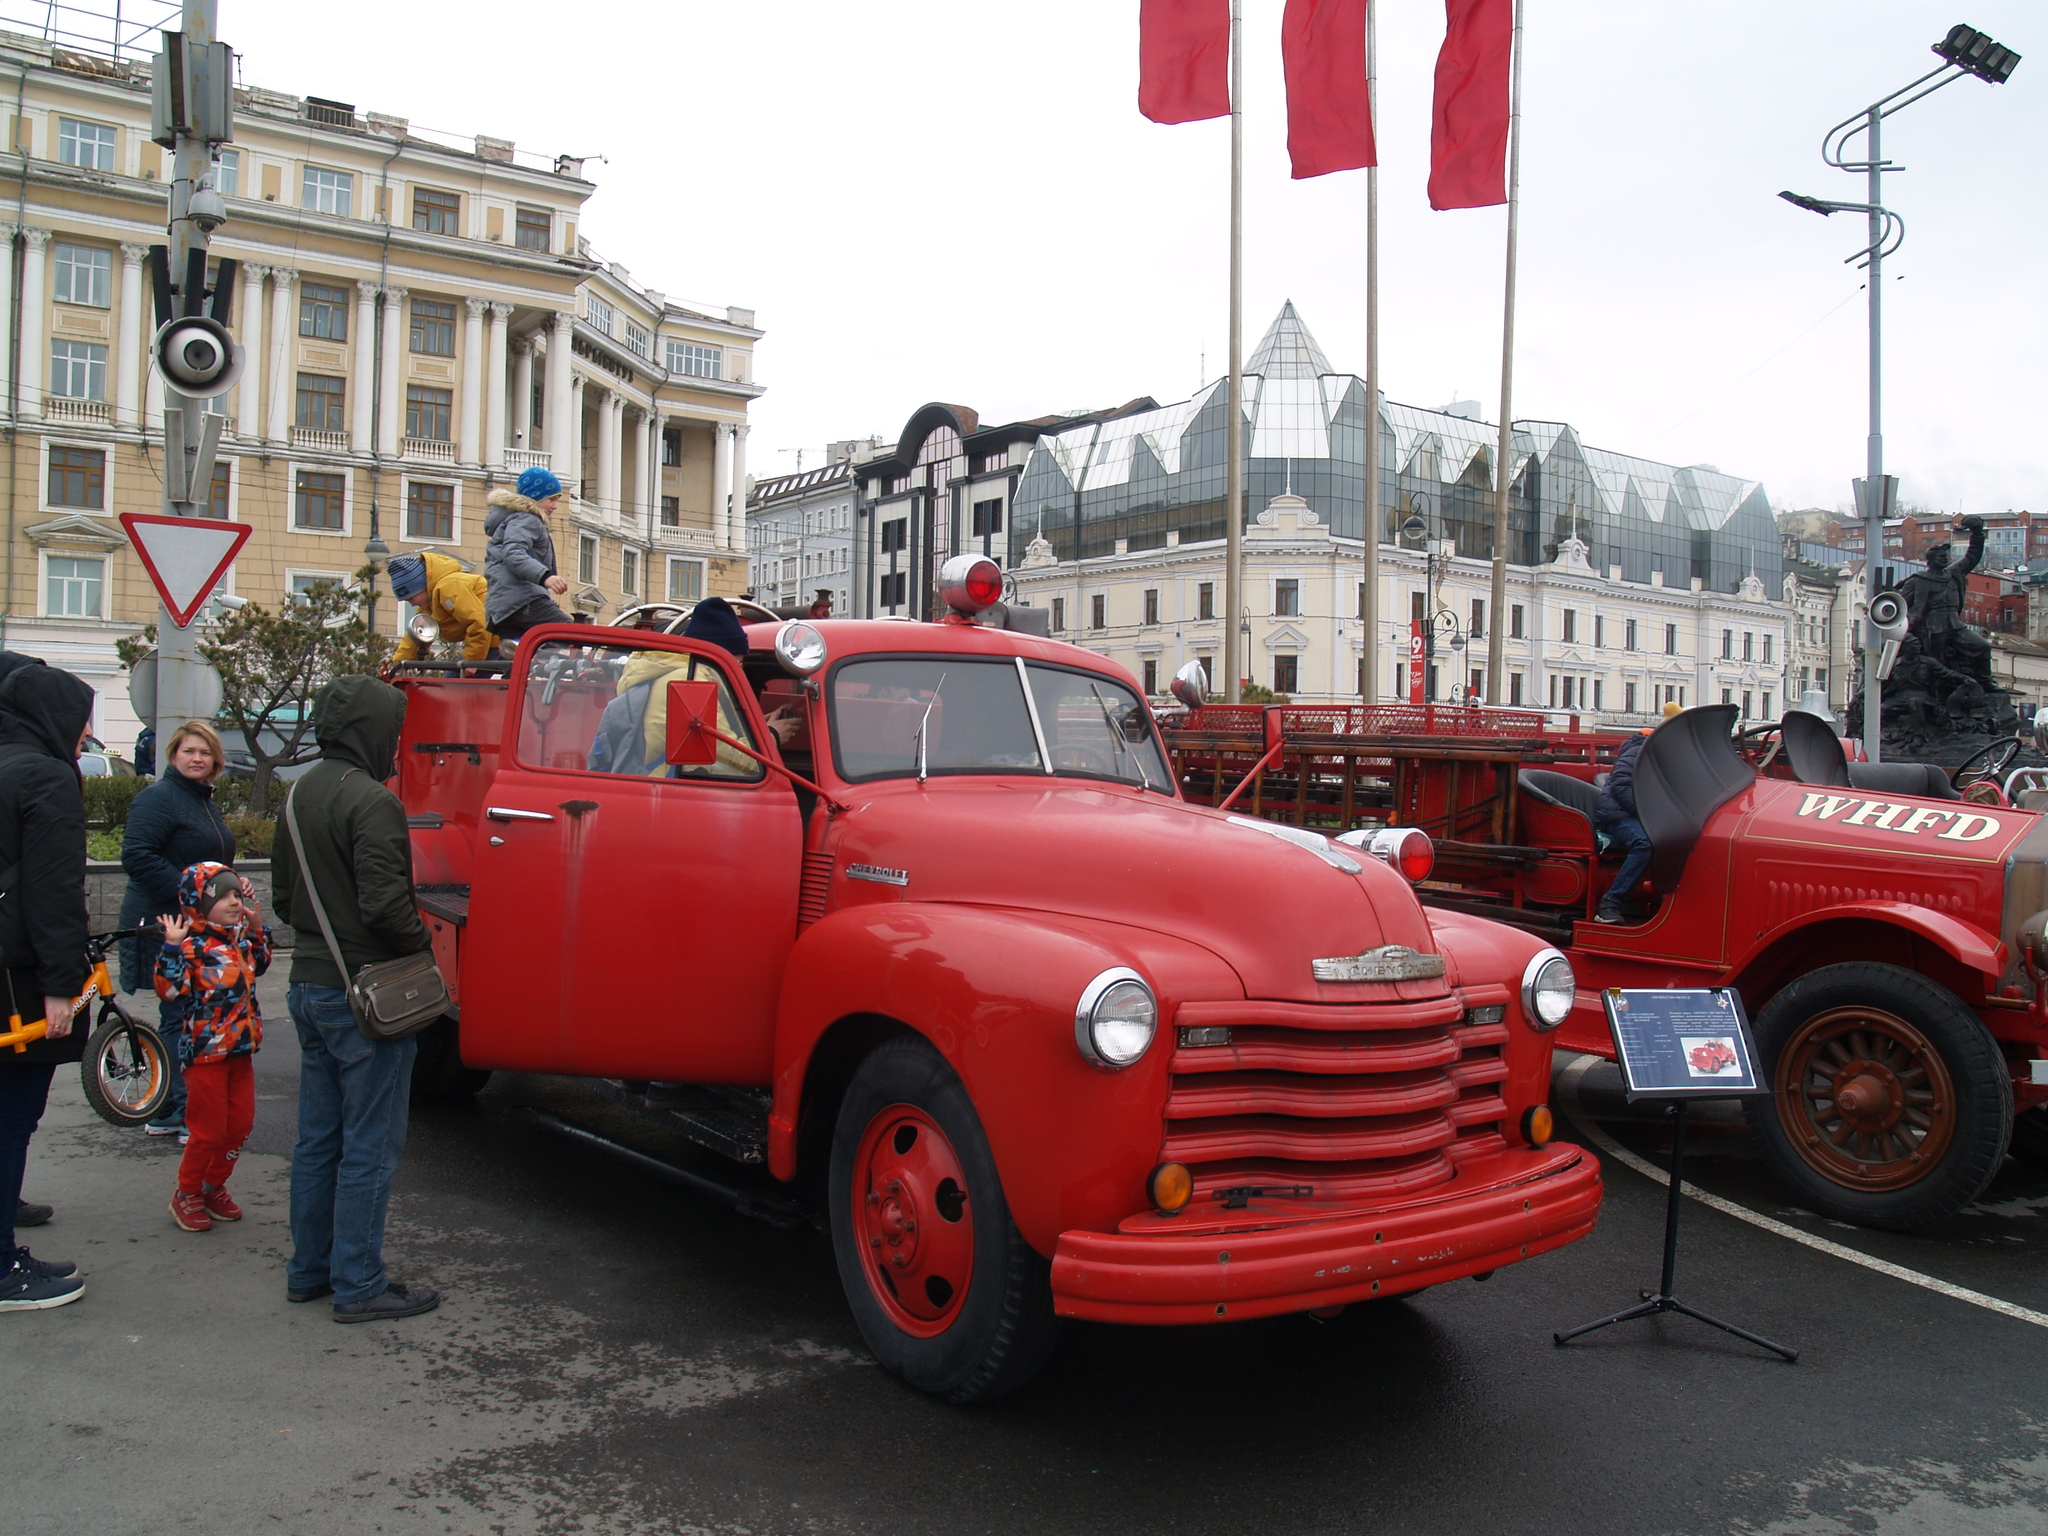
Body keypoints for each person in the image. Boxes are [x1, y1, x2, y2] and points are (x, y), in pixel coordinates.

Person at [269, 675, 441, 1322]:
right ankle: (360, 1283)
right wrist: (420, 945)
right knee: (370, 1144)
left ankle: (309, 1271)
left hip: (308, 987)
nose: (396, 744)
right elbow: (385, 904)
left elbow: (284, 901)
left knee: (319, 1140)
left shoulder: (298, 794)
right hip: (365, 994)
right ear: (373, 730)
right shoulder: (372, 801)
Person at [0, 662, 97, 1311]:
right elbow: (55, 895)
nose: (88, 734)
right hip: (20, 982)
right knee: (12, 1117)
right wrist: (63, 989)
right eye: (84, 718)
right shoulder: (47, 777)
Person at [118, 719, 236, 1141]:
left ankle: (171, 1108)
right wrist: (196, 896)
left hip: (192, 923)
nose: (197, 758)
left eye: (205, 753)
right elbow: (136, 855)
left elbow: (206, 861)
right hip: (163, 923)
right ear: (172, 755)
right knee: (179, 1017)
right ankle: (180, 1111)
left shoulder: (200, 800)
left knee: (185, 1015)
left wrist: (228, 888)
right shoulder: (159, 798)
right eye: (189, 751)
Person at [155, 862, 270, 1233]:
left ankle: (212, 1186)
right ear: (198, 905)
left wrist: (256, 927)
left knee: (240, 1125)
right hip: (205, 1056)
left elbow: (262, 962)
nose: (234, 901)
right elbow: (169, 991)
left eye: (237, 893)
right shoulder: (191, 947)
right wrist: (171, 946)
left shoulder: (237, 941)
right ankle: (186, 1193)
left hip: (240, 1052)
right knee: (207, 1130)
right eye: (223, 896)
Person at [483, 467, 572, 645]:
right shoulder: (528, 519)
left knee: (525, 657)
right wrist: (546, 577)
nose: (555, 506)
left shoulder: (512, 519)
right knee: (571, 633)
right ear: (536, 497)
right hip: (522, 601)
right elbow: (513, 553)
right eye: (551, 499)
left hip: (502, 609)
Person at [1592, 712, 1663, 926]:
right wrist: (1648, 813)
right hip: (1617, 814)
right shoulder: (1638, 751)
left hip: (1632, 812)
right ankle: (1609, 904)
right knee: (1643, 843)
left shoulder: (1653, 753)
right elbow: (1622, 785)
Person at [387, 551, 497, 664]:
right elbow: (416, 636)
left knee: (452, 680)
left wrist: (472, 660)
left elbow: (479, 621)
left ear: (420, 587)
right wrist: (398, 664)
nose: (412, 604)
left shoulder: (448, 587)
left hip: (497, 638)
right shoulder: (430, 604)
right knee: (453, 676)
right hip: (493, 640)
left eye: (411, 598)